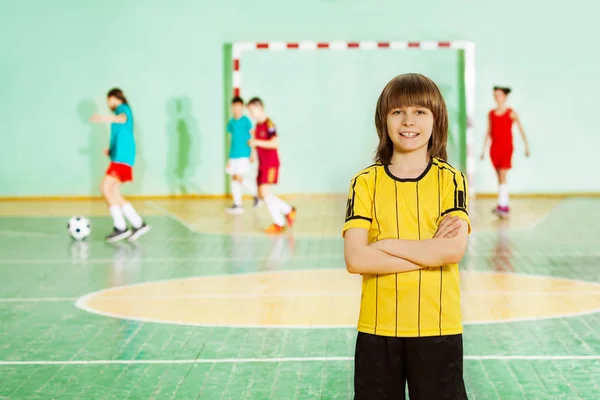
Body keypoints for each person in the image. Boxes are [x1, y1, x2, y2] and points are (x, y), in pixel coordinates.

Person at [343, 73, 471, 399]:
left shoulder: (450, 180)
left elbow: (452, 251)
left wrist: (385, 246)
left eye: (420, 112)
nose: (408, 121)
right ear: (383, 120)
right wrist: (429, 252)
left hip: (437, 326)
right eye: (397, 111)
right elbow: (356, 259)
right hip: (377, 328)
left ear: (436, 119)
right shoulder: (365, 182)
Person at [91, 88, 149, 242]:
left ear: (115, 98)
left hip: (122, 158)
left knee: (104, 188)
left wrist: (102, 118)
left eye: (108, 100)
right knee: (114, 194)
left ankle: (121, 227)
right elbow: (120, 133)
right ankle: (138, 224)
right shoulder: (117, 114)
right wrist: (110, 149)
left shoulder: (122, 109)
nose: (108, 103)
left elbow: (123, 119)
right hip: (120, 157)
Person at [246, 97, 296, 233]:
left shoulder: (269, 124)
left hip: (271, 163)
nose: (250, 114)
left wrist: (256, 142)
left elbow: (275, 143)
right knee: (261, 194)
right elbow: (257, 145)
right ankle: (287, 211)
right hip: (262, 164)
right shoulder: (257, 126)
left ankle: (279, 221)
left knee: (264, 192)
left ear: (259, 108)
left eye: (251, 111)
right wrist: (253, 154)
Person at [480, 86, 530, 218]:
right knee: (499, 178)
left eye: (499, 95)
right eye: (495, 95)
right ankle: (501, 204)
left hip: (506, 148)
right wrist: (483, 150)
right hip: (494, 148)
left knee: (503, 176)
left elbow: (520, 129)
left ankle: (504, 206)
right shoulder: (491, 113)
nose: (497, 98)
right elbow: (488, 131)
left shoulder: (511, 113)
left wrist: (526, 146)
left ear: (505, 97)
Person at [225, 96, 259, 214]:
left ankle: (257, 194)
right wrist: (229, 157)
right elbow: (231, 140)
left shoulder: (246, 121)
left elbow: (252, 136)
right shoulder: (231, 122)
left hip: (244, 153)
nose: (236, 109)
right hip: (233, 155)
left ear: (242, 107)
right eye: (234, 106)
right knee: (234, 178)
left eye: (239, 106)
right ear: (232, 107)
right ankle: (238, 204)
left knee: (238, 177)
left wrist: (253, 152)